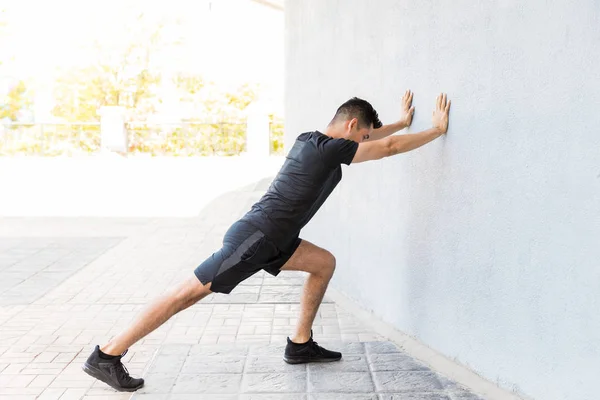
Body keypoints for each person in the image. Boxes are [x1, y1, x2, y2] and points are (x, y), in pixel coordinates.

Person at [82, 90, 451, 392]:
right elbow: (386, 149)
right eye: (363, 135)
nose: (363, 143)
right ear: (352, 125)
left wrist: (401, 123)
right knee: (186, 294)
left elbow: (376, 142)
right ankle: (108, 354)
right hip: (255, 238)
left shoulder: (311, 140)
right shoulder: (330, 149)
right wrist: (435, 131)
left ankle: (300, 344)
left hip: (276, 238)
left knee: (323, 263)